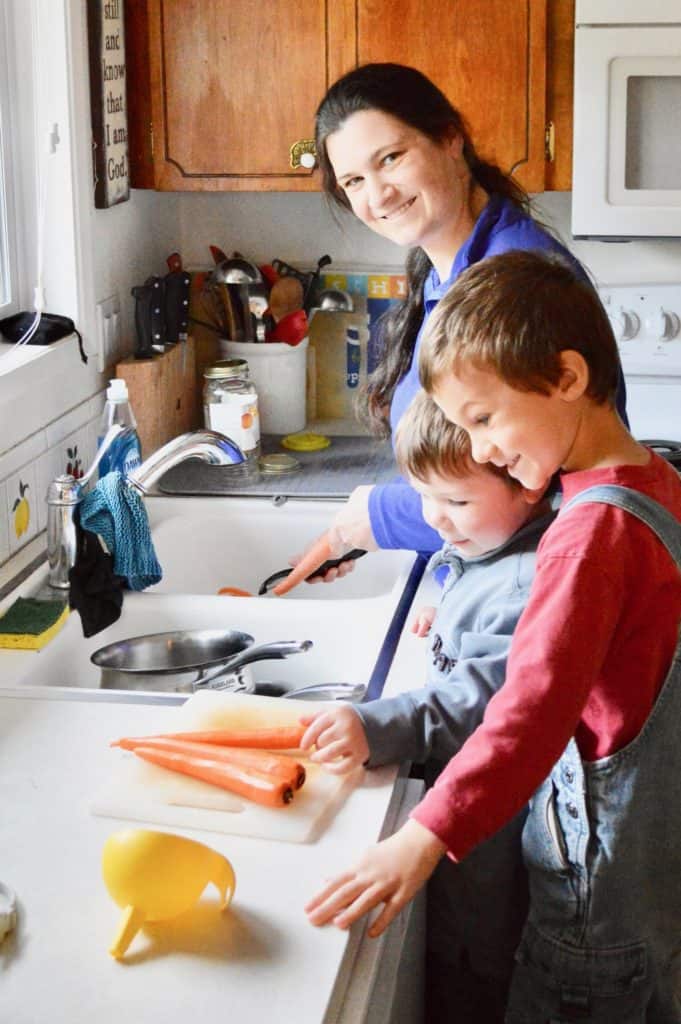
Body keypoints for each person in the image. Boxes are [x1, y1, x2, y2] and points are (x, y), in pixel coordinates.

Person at [303, 251, 681, 1022]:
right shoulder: (649, 483)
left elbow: (528, 712)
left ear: (568, 377)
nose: (478, 450)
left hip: (589, 898)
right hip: (645, 882)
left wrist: (424, 836)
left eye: (484, 418)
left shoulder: (590, 533)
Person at [304, 61, 627, 577]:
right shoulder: (446, 270)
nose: (378, 194)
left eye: (391, 158)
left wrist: (378, 516)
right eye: (354, 181)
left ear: (450, 138)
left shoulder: (511, 278)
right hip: (484, 574)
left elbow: (540, 488)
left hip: (527, 586)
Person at [302, 388, 554, 1020]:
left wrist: (373, 726)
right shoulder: (484, 545)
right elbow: (468, 575)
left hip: (491, 841)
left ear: (527, 482)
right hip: (465, 822)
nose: (436, 519)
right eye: (424, 497)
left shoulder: (525, 584)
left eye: (456, 501)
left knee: (473, 970)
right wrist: (449, 605)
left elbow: (475, 706)